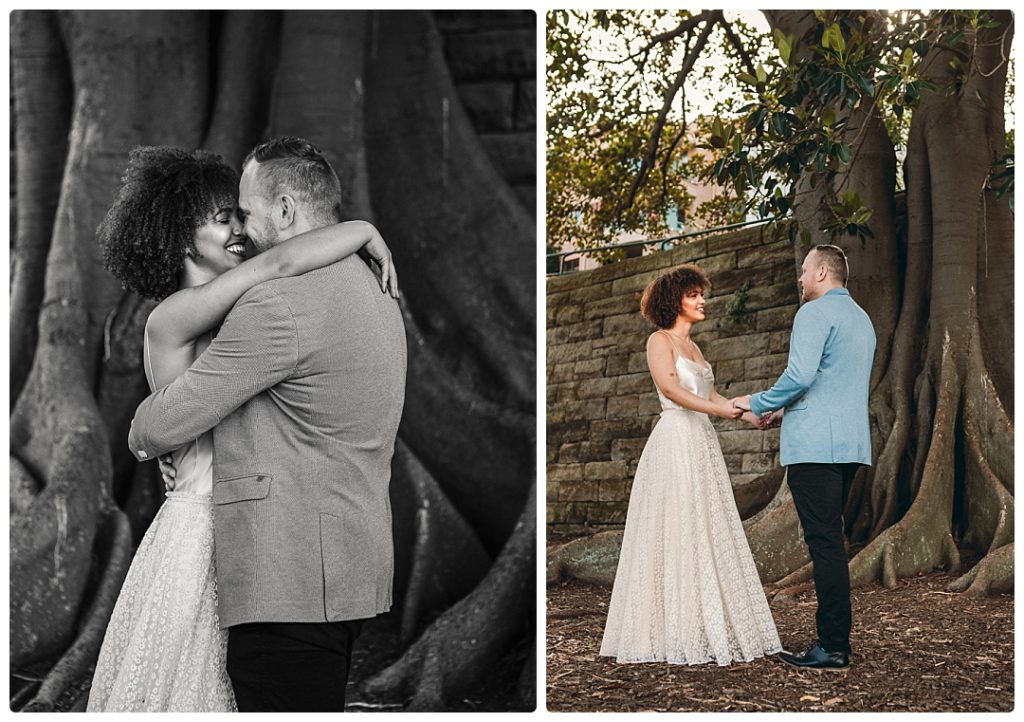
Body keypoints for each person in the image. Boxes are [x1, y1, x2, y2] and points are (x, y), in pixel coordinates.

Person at [87, 143, 399, 712]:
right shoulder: (179, 314)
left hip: (262, 545)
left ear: (282, 210)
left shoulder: (260, 309)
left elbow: (280, 267)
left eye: (241, 213)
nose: (238, 229)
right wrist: (359, 230)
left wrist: (360, 228)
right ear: (184, 238)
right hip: (214, 527)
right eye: (221, 218)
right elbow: (277, 263)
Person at [600, 264, 782, 666]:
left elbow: (713, 394)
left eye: (702, 294)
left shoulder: (696, 349)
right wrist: (723, 413)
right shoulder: (658, 341)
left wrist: (753, 414)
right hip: (675, 440)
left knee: (704, 523)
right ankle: (668, 629)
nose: (702, 301)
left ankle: (702, 620)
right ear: (673, 300)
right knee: (677, 524)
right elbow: (671, 389)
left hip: (701, 441)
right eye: (693, 295)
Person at [733, 244, 875, 671]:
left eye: (804, 270)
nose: (799, 278)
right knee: (833, 539)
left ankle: (832, 646)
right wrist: (782, 411)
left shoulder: (813, 314)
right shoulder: (862, 319)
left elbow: (800, 375)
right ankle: (835, 641)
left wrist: (758, 402)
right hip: (850, 446)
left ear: (822, 273)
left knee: (825, 544)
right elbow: (830, 383)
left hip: (815, 447)